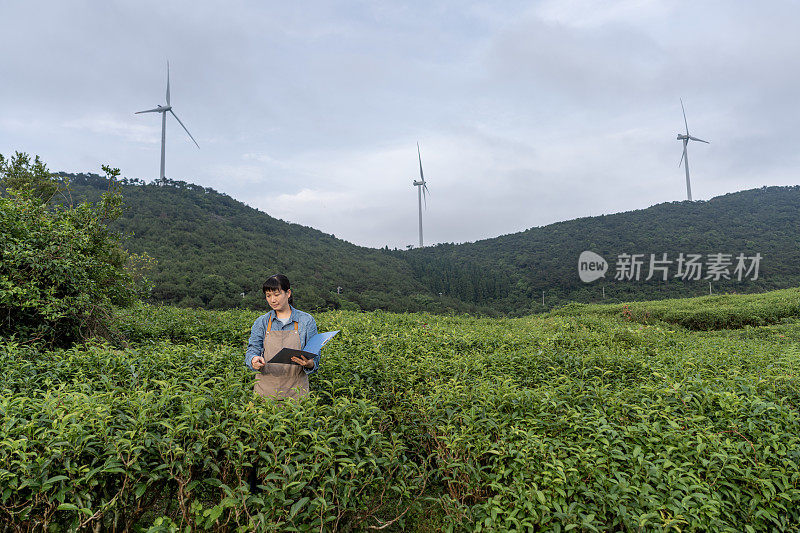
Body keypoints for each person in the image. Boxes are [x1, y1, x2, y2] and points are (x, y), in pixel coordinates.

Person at [244, 274, 319, 400]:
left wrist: (309, 363)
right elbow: (252, 349)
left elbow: (315, 358)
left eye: (277, 294)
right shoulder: (262, 322)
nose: (272, 300)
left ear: (288, 293)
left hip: (297, 392)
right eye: (268, 296)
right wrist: (253, 360)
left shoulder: (306, 321)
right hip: (266, 393)